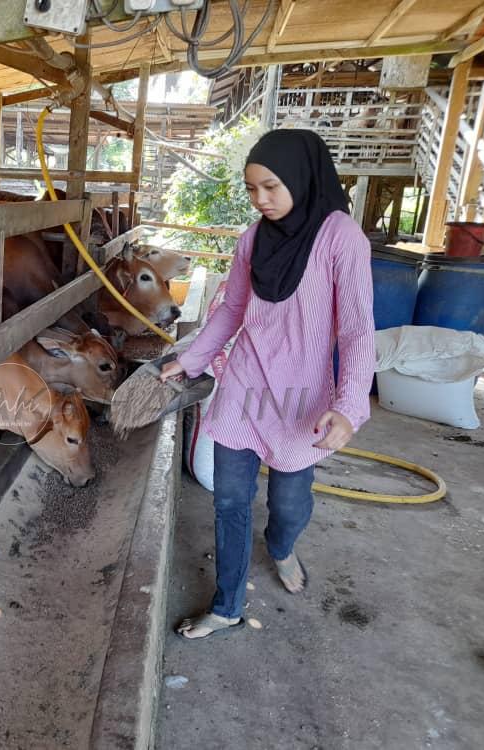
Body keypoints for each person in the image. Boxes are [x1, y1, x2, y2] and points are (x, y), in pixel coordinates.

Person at [160, 129, 376, 640]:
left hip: (302, 397)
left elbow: (357, 328)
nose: (261, 200)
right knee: (230, 500)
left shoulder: (340, 237)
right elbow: (232, 309)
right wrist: (191, 359)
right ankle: (228, 604)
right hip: (244, 385)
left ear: (301, 178)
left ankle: (280, 546)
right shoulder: (253, 239)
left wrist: (349, 407)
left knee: (288, 504)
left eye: (271, 187)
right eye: (252, 189)